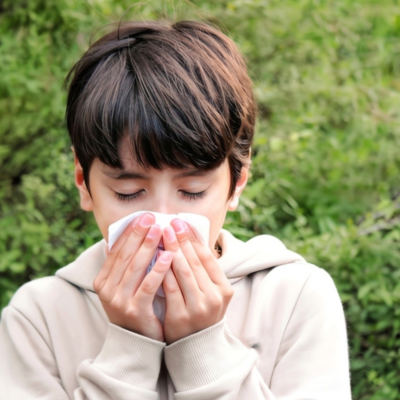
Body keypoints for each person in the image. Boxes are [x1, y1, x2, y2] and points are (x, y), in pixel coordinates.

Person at [0, 20, 351, 399]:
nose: (162, 220)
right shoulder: (38, 318)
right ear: (84, 183)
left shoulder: (295, 297)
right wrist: (127, 351)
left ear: (237, 183)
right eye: (129, 192)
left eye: (193, 190)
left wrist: (204, 349)